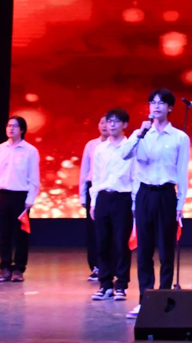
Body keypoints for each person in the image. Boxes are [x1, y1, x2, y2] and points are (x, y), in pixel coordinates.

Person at [120, 89, 191, 319]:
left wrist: (180, 203)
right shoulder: (141, 134)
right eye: (152, 102)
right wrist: (138, 134)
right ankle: (145, 300)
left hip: (166, 194)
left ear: (170, 108)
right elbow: (124, 154)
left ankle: (164, 300)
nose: (156, 106)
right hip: (145, 194)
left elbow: (182, 172)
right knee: (144, 250)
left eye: (161, 103)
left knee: (166, 250)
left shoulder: (179, 137)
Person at [0, 116, 40, 283]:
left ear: (22, 130)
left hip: (20, 196)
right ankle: (4, 267)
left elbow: (34, 177)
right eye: (9, 126)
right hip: (2, 194)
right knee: (3, 233)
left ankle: (18, 268)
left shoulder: (30, 151)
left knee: (20, 235)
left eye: (15, 126)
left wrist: (30, 198)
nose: (11, 129)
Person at [89, 108, 134, 302]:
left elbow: (135, 175)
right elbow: (96, 176)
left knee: (121, 243)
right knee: (102, 242)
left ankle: (121, 285)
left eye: (116, 121)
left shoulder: (130, 147)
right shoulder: (100, 149)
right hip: (103, 198)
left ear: (125, 125)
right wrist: (93, 202)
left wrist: (134, 203)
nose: (112, 125)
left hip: (123, 198)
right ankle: (105, 284)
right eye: (109, 121)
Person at [80, 115, 108, 282]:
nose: (105, 126)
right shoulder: (91, 145)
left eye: (108, 122)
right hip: (93, 188)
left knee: (111, 230)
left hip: (110, 188)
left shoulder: (121, 145)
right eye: (102, 122)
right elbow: (85, 170)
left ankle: (110, 266)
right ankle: (96, 267)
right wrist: (82, 194)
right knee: (93, 231)